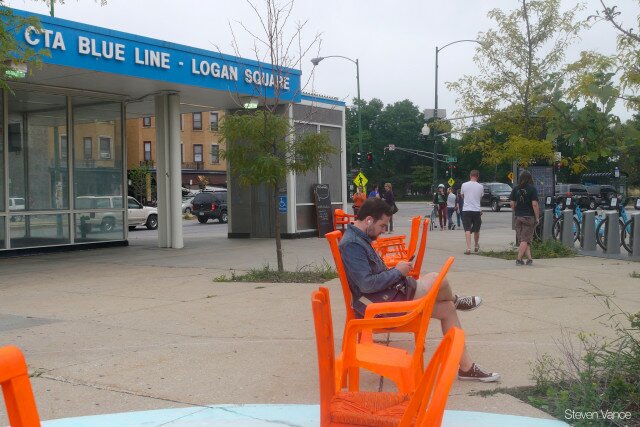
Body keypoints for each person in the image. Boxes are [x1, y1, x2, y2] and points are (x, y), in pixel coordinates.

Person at [339, 198, 500, 382]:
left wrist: (396, 271)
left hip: (388, 297)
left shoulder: (359, 238)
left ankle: (466, 368)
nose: (384, 231)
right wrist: (397, 272)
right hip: (381, 308)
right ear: (369, 220)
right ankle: (456, 299)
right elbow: (366, 284)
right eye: (382, 226)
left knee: (447, 309)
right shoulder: (353, 245)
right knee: (438, 279)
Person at [509, 170, 539, 266]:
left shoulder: (515, 189)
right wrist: (537, 217)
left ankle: (529, 259)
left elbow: (512, 204)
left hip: (518, 217)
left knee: (524, 239)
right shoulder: (532, 189)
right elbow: (534, 204)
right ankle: (519, 259)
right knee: (525, 240)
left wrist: (516, 211)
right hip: (528, 217)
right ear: (530, 179)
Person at [460, 170, 483, 255]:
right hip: (476, 210)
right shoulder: (480, 186)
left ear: (470, 175)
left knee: (467, 229)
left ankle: (468, 248)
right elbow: (480, 197)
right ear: (477, 176)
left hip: (466, 210)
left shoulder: (464, 185)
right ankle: (476, 245)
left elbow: (462, 196)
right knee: (476, 229)